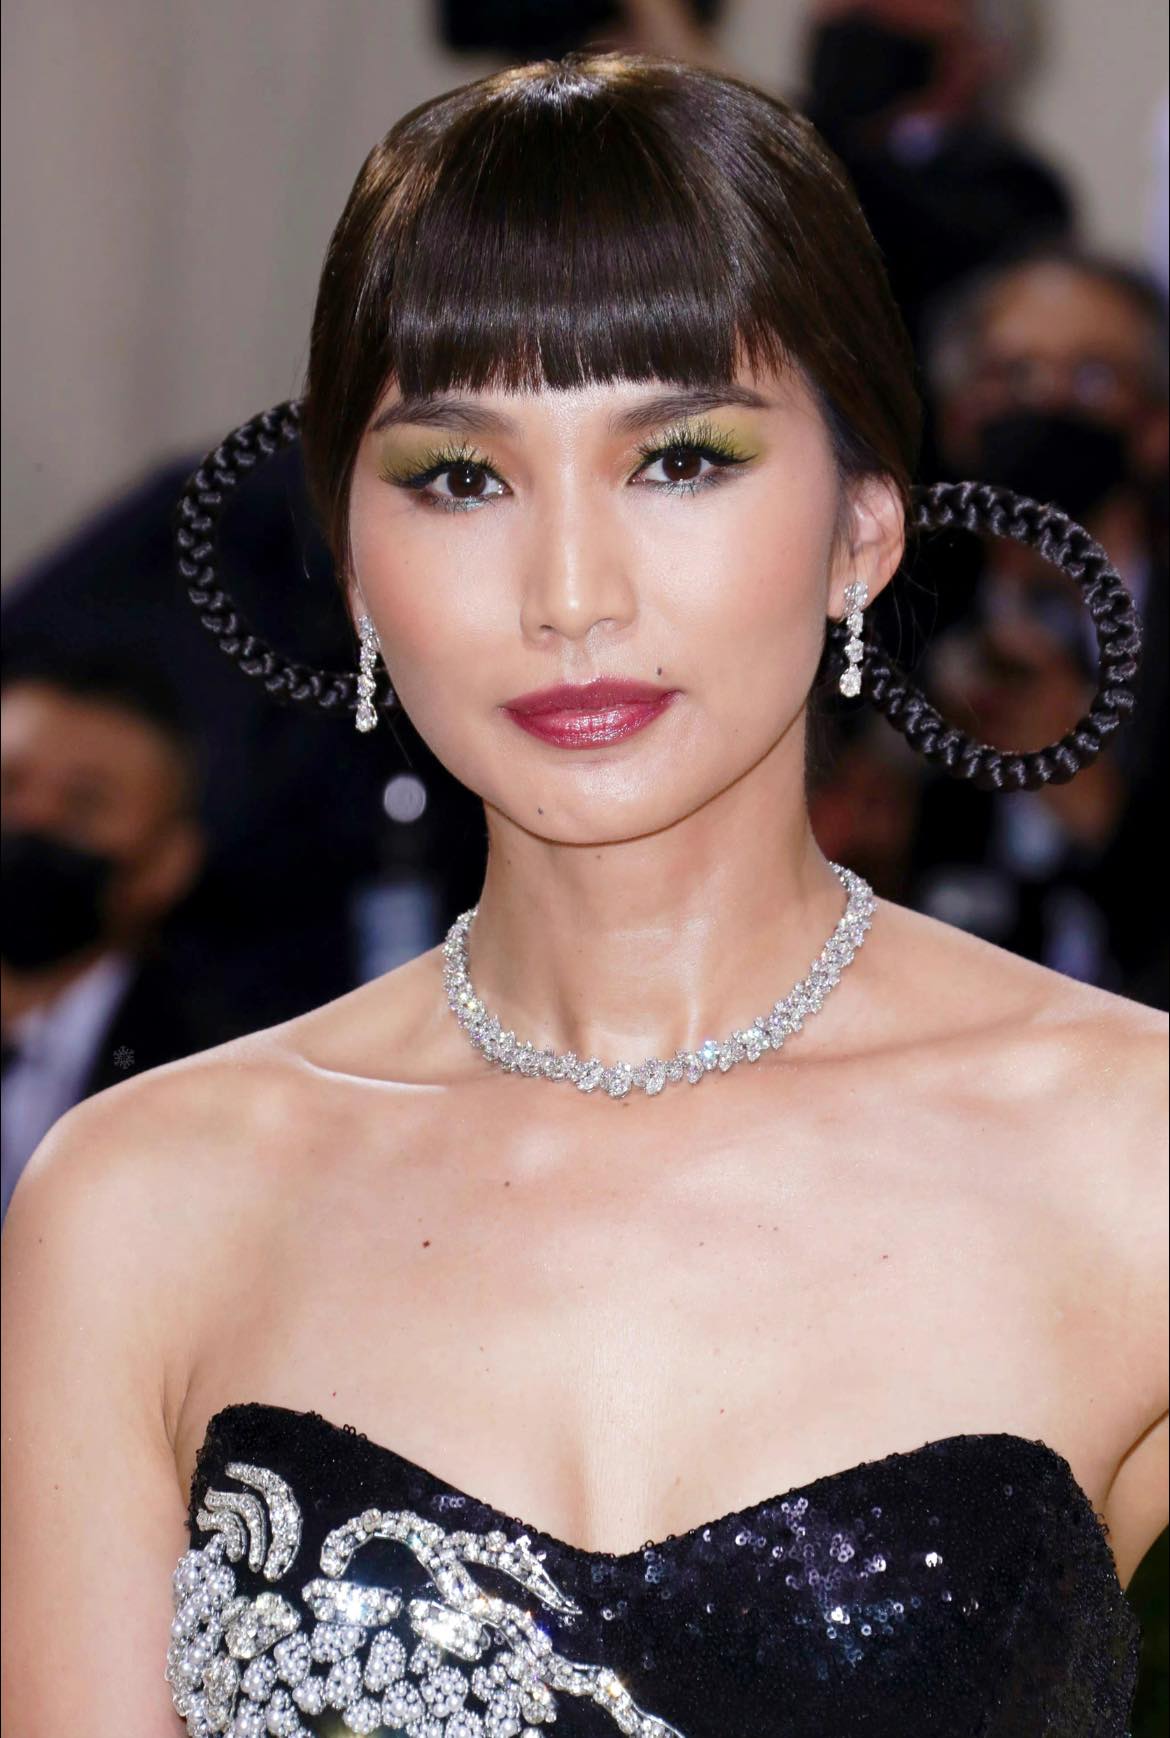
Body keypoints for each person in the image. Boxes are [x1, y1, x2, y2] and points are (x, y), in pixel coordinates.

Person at [2, 53, 1165, 1737]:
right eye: (460, 476)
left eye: (679, 456)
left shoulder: (1128, 1147)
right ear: (355, 563)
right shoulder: (140, 1202)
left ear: (861, 530)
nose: (568, 592)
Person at [907, 250, 1170, 1005]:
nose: (1045, 401)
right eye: (1012, 373)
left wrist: (1102, 813)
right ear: (959, 416)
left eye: (1092, 376)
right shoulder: (887, 622)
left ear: (1156, 425)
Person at [0, 653, 220, 1223]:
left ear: (167, 864)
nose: (30, 821)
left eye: (85, 804)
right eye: (7, 784)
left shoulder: (211, 1077)